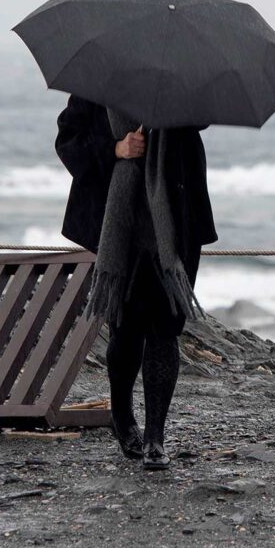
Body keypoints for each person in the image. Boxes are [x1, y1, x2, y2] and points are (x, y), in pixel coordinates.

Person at [55, 96, 216, 470]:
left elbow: (202, 120)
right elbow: (68, 142)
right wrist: (117, 148)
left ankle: (155, 437)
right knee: (125, 327)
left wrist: (173, 106)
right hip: (117, 224)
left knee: (165, 326)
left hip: (174, 221)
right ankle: (123, 418)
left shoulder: (182, 80)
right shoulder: (96, 81)